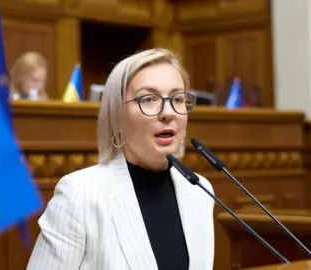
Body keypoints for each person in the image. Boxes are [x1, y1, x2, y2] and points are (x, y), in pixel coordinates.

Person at [26, 48, 215, 270]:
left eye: (177, 98)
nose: (168, 112)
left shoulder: (199, 190)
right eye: (149, 99)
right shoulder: (80, 194)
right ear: (117, 116)